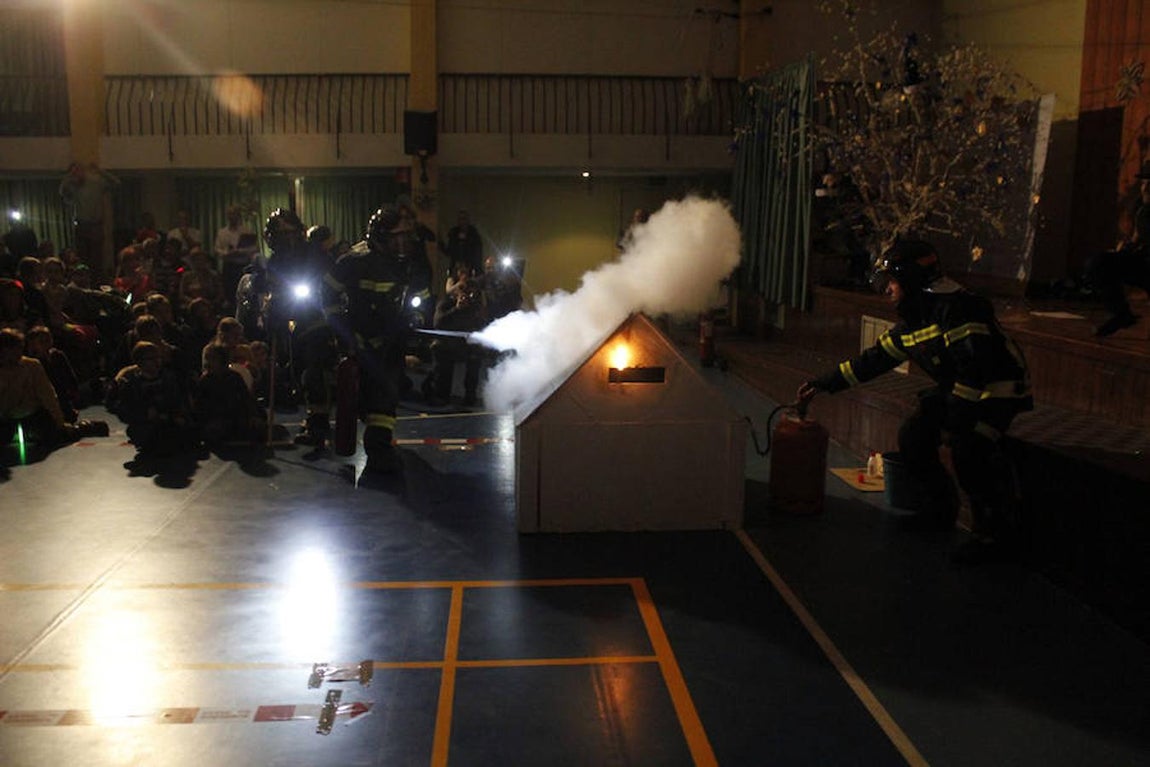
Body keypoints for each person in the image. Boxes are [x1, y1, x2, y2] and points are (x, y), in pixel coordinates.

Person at [796, 239, 1033, 565]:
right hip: (962, 390)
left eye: (891, 281)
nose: (887, 290)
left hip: (999, 391)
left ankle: (993, 535)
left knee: (970, 449)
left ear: (910, 279)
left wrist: (956, 421)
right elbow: (873, 361)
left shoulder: (959, 309)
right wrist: (822, 383)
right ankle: (941, 509)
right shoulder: (915, 321)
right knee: (914, 437)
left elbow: (976, 370)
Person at [322, 204, 431, 480]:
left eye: (407, 236)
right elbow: (327, 298)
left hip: (392, 336)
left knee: (388, 389)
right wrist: (347, 335)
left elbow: (422, 295)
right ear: (380, 237)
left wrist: (416, 317)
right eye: (397, 236)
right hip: (358, 338)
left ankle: (378, 445)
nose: (403, 243)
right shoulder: (353, 261)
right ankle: (369, 436)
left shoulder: (411, 261)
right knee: (370, 390)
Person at [262, 208, 337, 446]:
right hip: (292, 319)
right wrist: (272, 308)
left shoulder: (315, 254)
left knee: (314, 369)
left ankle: (319, 421)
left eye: (288, 232)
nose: (285, 238)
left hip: (318, 316)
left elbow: (329, 281)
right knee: (299, 369)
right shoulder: (275, 261)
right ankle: (312, 414)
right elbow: (273, 289)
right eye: (279, 233)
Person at [1088, 161, 1150, 337]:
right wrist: (1123, 251)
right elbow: (1138, 237)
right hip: (1144, 264)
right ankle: (1122, 314)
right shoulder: (1142, 209)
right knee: (1099, 262)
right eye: (1144, 183)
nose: (1145, 188)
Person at [425, 264, 486, 407]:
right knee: (441, 351)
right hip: (447, 343)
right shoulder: (445, 302)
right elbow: (438, 323)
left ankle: (470, 395)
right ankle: (441, 394)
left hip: (465, 344)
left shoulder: (474, 304)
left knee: (476, 353)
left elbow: (482, 323)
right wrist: (456, 309)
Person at [59, 162, 120, 275]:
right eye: (74, 173)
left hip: (96, 224)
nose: (77, 175)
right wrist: (68, 178)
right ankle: (84, 278)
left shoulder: (96, 182)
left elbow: (116, 183)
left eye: (78, 171)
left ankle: (97, 279)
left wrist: (101, 171)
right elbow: (62, 192)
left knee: (97, 259)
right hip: (81, 225)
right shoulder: (73, 187)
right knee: (83, 258)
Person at [214, 205, 260, 313]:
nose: (232, 217)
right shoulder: (222, 232)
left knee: (245, 291)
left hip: (243, 266)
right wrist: (227, 253)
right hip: (229, 266)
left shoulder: (246, 231)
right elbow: (217, 249)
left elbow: (255, 248)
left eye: (234, 214)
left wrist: (240, 251)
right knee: (230, 293)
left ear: (238, 216)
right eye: (229, 214)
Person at [443, 209, 483, 275]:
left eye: (464, 219)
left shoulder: (474, 235)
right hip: (456, 267)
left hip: (470, 267)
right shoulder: (454, 234)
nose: (462, 222)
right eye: (460, 219)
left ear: (468, 220)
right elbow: (450, 251)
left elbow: (477, 253)